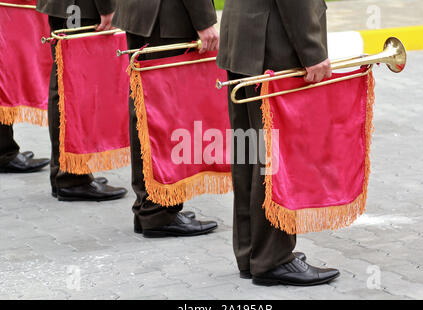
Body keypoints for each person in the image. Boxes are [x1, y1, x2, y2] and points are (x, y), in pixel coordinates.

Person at [217, 0, 340, 286]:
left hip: (244, 35)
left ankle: (252, 253)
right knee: (273, 156)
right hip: (273, 43)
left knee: (250, 152)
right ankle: (273, 258)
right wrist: (311, 50)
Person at [112, 0, 219, 238]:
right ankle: (158, 212)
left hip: (144, 14)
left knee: (147, 109)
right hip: (165, 16)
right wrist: (203, 20)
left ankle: (149, 206)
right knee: (164, 112)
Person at [36, 0, 127, 201]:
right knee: (71, 85)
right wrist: (107, 6)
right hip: (79, 5)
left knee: (65, 80)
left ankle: (66, 171)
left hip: (70, 5)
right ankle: (70, 177)